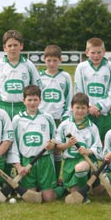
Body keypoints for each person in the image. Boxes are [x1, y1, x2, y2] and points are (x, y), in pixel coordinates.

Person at [8, 85, 62, 202]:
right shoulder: (17, 120)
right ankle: (37, 189)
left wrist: (53, 143)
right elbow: (13, 145)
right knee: (32, 199)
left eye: (35, 100)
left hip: (45, 161)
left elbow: (56, 136)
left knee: (48, 199)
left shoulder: (47, 117)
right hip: (27, 162)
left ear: (40, 100)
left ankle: (61, 188)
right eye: (29, 100)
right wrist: (18, 166)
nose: (32, 103)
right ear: (23, 101)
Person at [55, 93, 103, 201]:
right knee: (73, 193)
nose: (80, 111)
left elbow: (98, 148)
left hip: (86, 162)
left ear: (87, 109)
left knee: (80, 168)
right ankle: (66, 188)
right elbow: (57, 147)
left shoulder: (92, 127)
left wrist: (87, 151)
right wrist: (67, 145)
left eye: (83, 108)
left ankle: (84, 195)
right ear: (72, 107)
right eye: (77, 107)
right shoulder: (64, 125)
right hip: (69, 163)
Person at [0, 29, 42, 120]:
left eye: (15, 45)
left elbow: (37, 88)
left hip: (22, 108)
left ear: (21, 46)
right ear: (4, 47)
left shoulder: (29, 66)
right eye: (10, 45)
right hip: (2, 107)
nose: (12, 48)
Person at [38, 44, 73, 181]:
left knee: (57, 148)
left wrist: (65, 116)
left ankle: (57, 177)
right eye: (49, 60)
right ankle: (44, 177)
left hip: (59, 119)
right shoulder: (39, 77)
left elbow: (69, 97)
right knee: (44, 147)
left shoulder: (65, 77)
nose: (52, 63)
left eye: (55, 60)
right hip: (43, 119)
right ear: (44, 60)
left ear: (60, 60)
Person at [74, 37, 111, 142]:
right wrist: (89, 107)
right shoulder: (81, 67)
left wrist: (99, 106)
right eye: (93, 52)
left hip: (104, 113)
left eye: (99, 52)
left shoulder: (110, 67)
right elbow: (78, 91)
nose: (96, 56)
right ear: (87, 52)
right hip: (86, 112)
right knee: (87, 142)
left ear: (104, 52)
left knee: (105, 142)